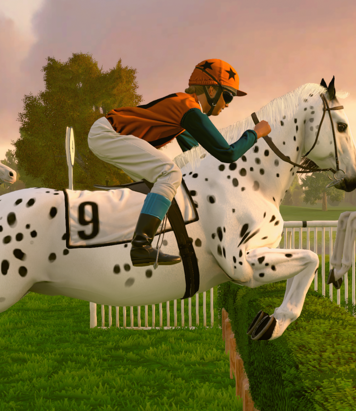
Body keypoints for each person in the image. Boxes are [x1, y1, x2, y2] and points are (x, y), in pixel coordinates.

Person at [88, 58, 272, 267]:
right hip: (107, 134)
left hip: (109, 134)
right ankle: (140, 246)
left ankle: (130, 239)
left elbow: (197, 156)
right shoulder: (188, 108)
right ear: (211, 90)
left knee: (169, 180)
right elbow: (227, 153)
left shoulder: (186, 109)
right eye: (228, 95)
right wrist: (255, 133)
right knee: (170, 173)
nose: (228, 104)